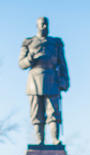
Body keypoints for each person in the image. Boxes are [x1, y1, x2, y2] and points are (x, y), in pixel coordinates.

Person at [18, 16, 69, 145]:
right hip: (34, 80)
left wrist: (64, 80)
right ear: (37, 26)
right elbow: (21, 64)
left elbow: (62, 63)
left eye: (46, 24)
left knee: (53, 111)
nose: (44, 27)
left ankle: (55, 139)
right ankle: (40, 140)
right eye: (42, 24)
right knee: (37, 112)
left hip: (52, 79)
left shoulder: (56, 43)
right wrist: (30, 58)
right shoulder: (29, 42)